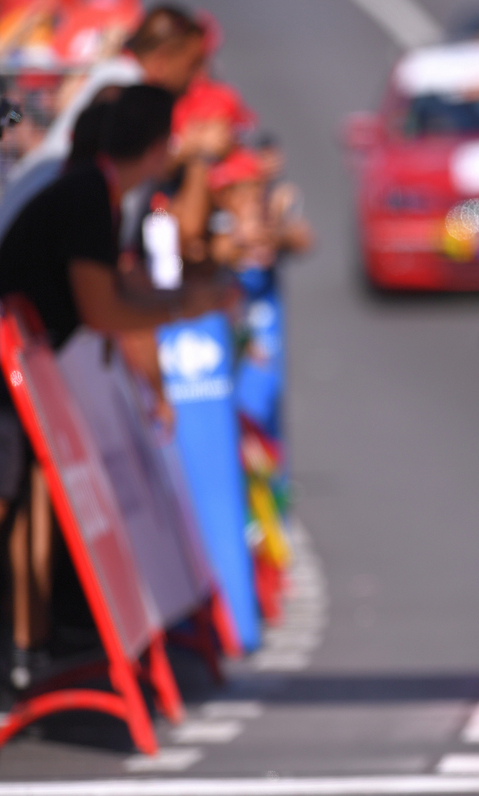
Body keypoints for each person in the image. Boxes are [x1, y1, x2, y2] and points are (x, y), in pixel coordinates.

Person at [0, 84, 237, 687]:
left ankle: (30, 646)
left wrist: (185, 299)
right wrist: (187, 306)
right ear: (159, 147)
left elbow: (118, 292)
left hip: (29, 369)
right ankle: (26, 647)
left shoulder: (94, 192)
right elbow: (104, 308)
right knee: (15, 503)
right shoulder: (88, 194)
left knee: (32, 499)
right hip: (14, 369)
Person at [0, 4, 206, 239]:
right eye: (192, 64)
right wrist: (191, 150)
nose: (197, 77)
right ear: (162, 60)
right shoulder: (123, 86)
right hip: (43, 221)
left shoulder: (122, 79)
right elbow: (128, 153)